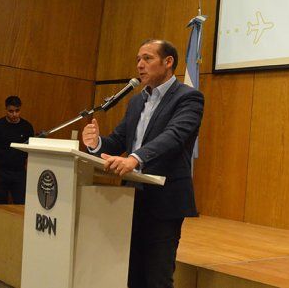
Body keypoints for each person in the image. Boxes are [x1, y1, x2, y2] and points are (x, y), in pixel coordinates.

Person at [82, 39, 203, 288]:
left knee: (157, 277)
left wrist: (135, 158)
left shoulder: (189, 98)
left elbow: (174, 136)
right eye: (138, 59)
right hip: (131, 198)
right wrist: (96, 144)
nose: (139, 65)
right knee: (132, 274)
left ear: (168, 62)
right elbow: (118, 141)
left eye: (147, 58)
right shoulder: (137, 101)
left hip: (165, 199)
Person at [0, 96, 34, 204]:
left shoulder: (27, 127)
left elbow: (30, 148)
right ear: (6, 109)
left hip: (19, 172)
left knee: (21, 203)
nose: (14, 114)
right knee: (0, 203)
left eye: (17, 111)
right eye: (11, 111)